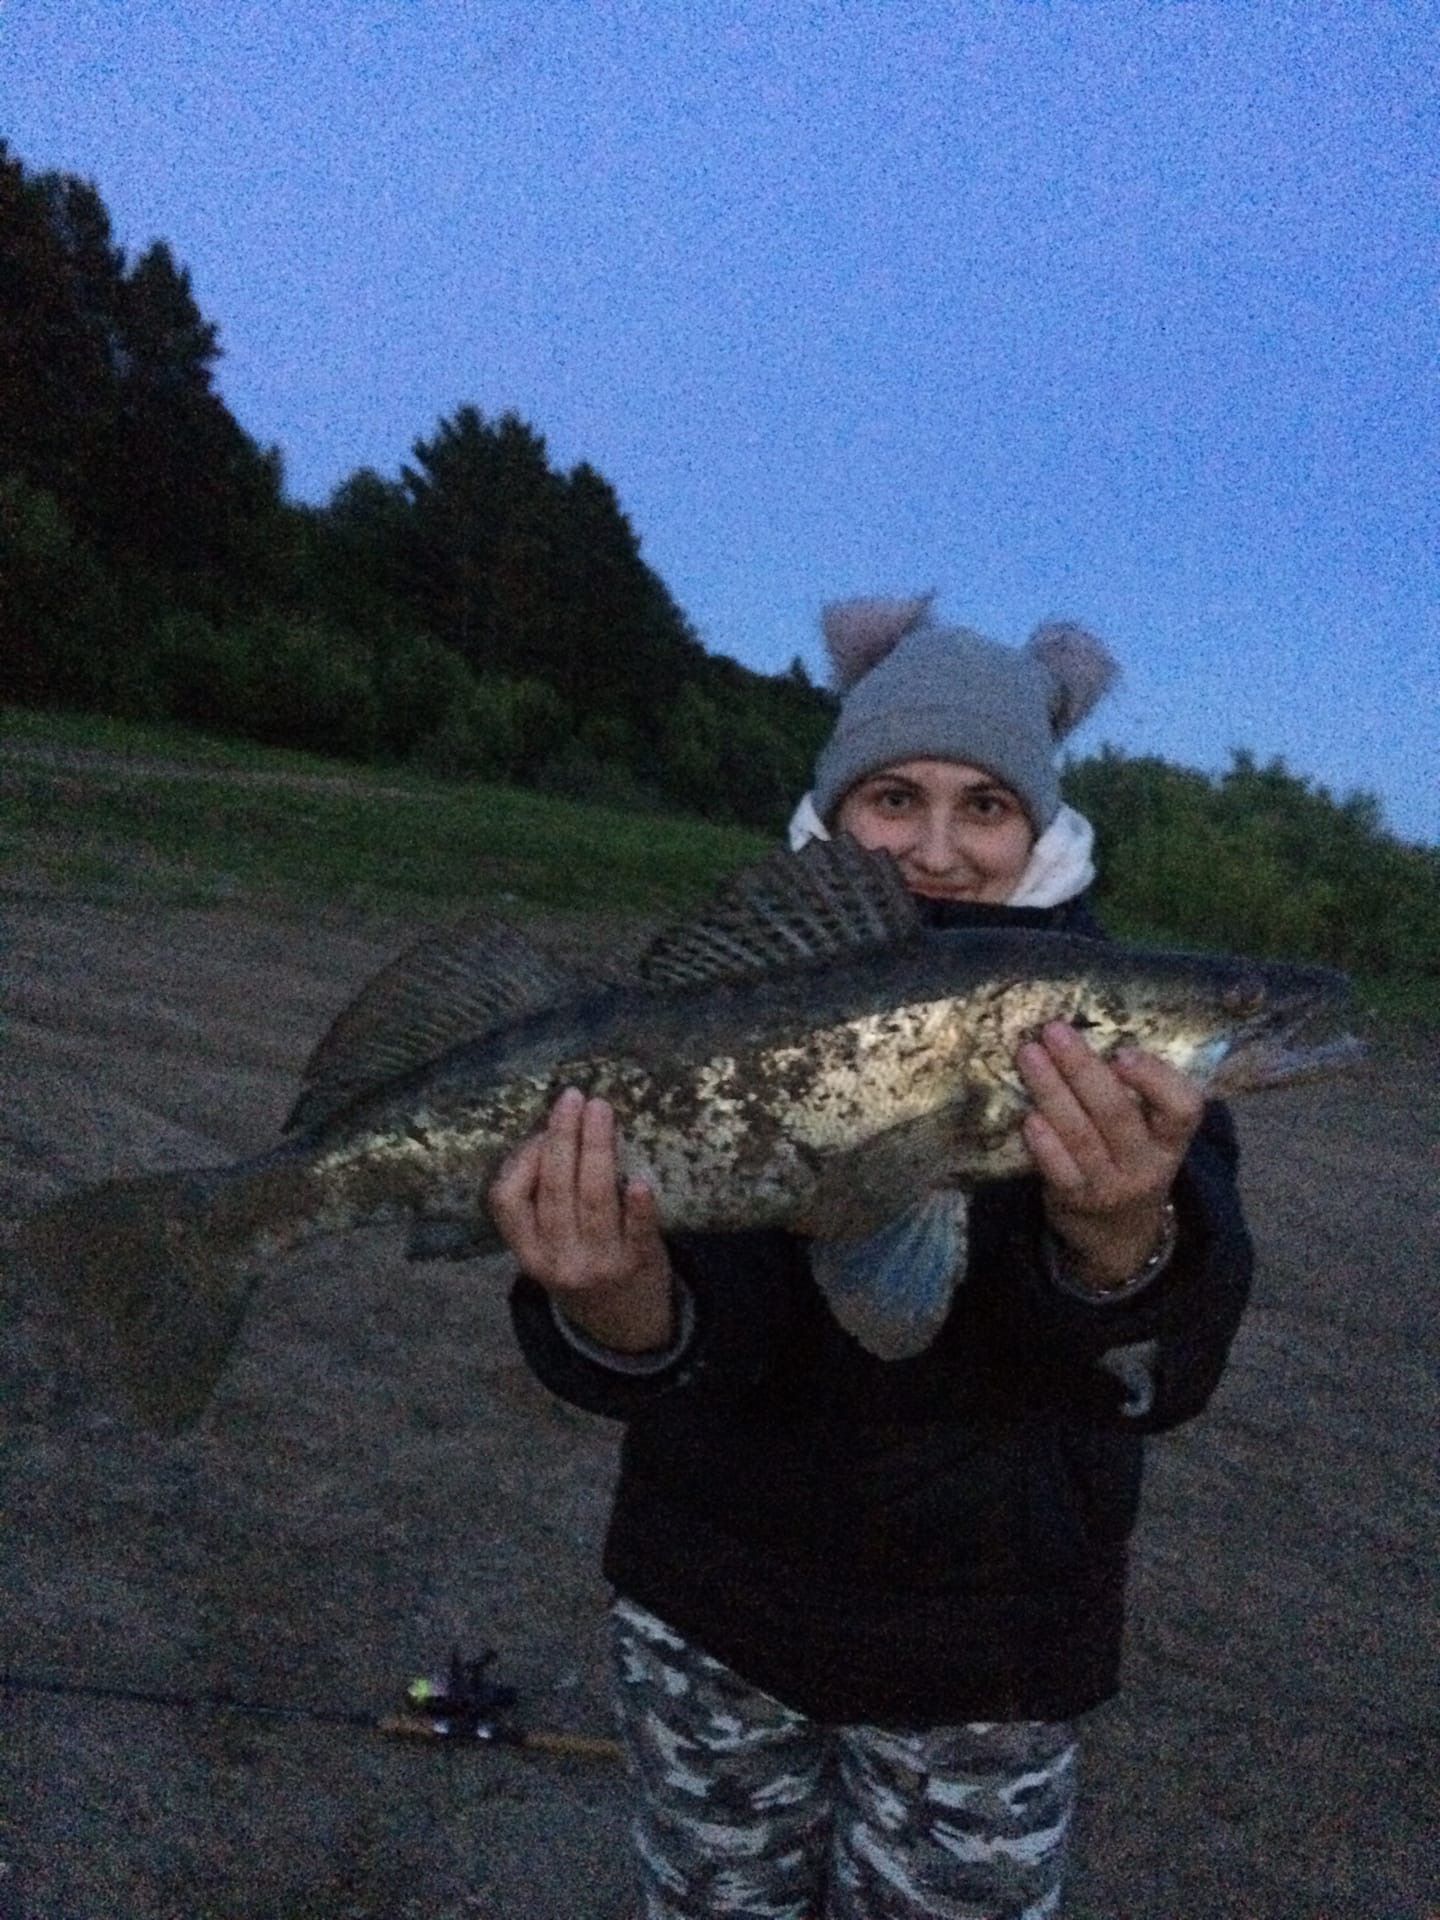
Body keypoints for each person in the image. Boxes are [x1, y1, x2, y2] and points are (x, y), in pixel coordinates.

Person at [491, 596, 1253, 1920]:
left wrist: (1125, 1238)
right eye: (895, 797)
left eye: (987, 807)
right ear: (837, 811)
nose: (940, 848)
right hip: (712, 1610)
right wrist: (617, 1303)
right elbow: (665, 1345)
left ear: (1042, 830)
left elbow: (1164, 1376)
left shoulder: (1129, 1075)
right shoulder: (712, 1012)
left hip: (987, 1660)